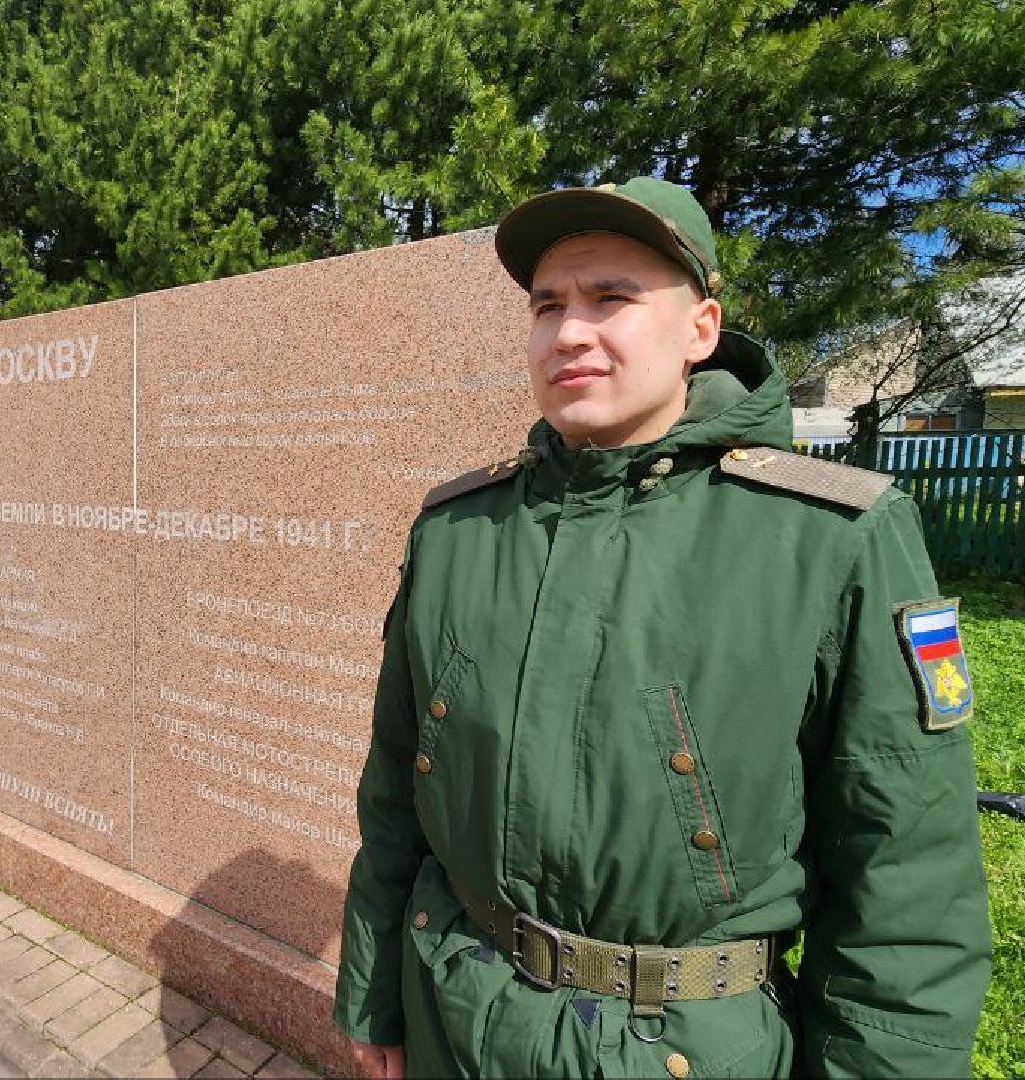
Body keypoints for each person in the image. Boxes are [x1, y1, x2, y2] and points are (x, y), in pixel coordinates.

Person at [333, 178, 991, 1079]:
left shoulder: (830, 536)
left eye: (611, 298)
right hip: (453, 1015)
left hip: (679, 1050)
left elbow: (908, 877)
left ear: (700, 329)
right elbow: (396, 791)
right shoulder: (455, 529)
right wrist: (373, 994)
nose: (568, 331)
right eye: (547, 305)